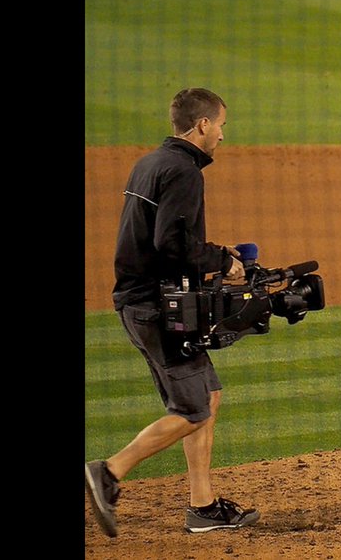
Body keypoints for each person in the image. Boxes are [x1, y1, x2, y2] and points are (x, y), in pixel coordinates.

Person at [85, 88, 261, 537]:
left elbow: (161, 238)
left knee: (208, 395)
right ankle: (108, 471)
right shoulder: (184, 171)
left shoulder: (150, 163)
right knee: (192, 409)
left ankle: (202, 506)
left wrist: (213, 253)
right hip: (155, 307)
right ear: (202, 124)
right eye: (220, 125)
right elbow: (172, 244)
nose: (222, 134)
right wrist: (222, 261)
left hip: (140, 299)